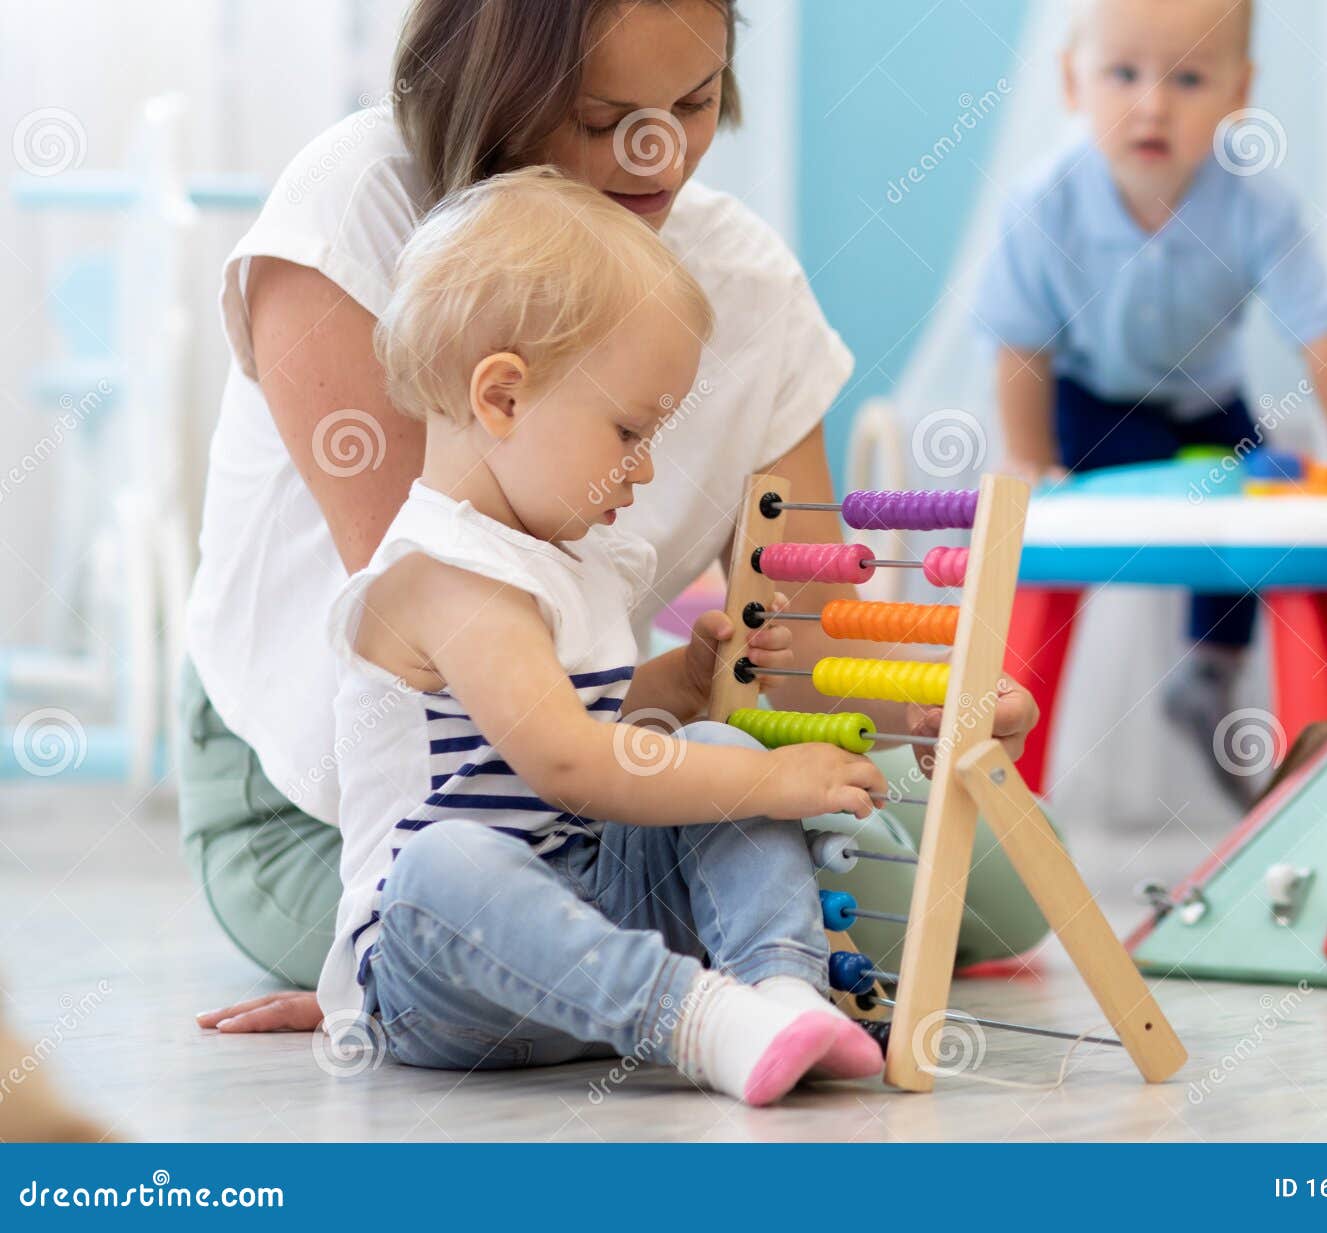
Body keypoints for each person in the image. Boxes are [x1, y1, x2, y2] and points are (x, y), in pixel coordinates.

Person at [185, 0, 1047, 1036]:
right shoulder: (362, 203)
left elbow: (795, 651)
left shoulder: (740, 282)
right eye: (601, 120)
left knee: (998, 882)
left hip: (594, 772)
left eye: (691, 102)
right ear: (495, 90)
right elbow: (475, 691)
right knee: (480, 883)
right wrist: (375, 985)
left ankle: (734, 986)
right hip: (354, 798)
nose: (658, 153)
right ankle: (637, 987)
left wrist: (915, 704)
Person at [320, 166, 887, 1103]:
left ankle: (782, 990)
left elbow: (604, 718)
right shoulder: (443, 573)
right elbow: (570, 762)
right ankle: (699, 1019)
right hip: (445, 978)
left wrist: (684, 680)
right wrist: (774, 775)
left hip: (582, 929)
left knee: (707, 740)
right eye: (629, 430)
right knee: (447, 861)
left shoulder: (569, 554)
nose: (647, 465)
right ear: (502, 399)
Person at [973, 0, 1327, 798]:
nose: (1153, 105)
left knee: (1252, 509)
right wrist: (1032, 457)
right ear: (1074, 81)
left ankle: (1211, 667)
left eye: (1190, 79)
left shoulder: (1258, 204)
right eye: (1124, 75)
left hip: (1210, 404)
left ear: (1239, 92)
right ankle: (1012, 717)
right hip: (1092, 401)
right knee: (1058, 531)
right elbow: (1020, 345)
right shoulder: (1044, 201)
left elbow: (1324, 336)